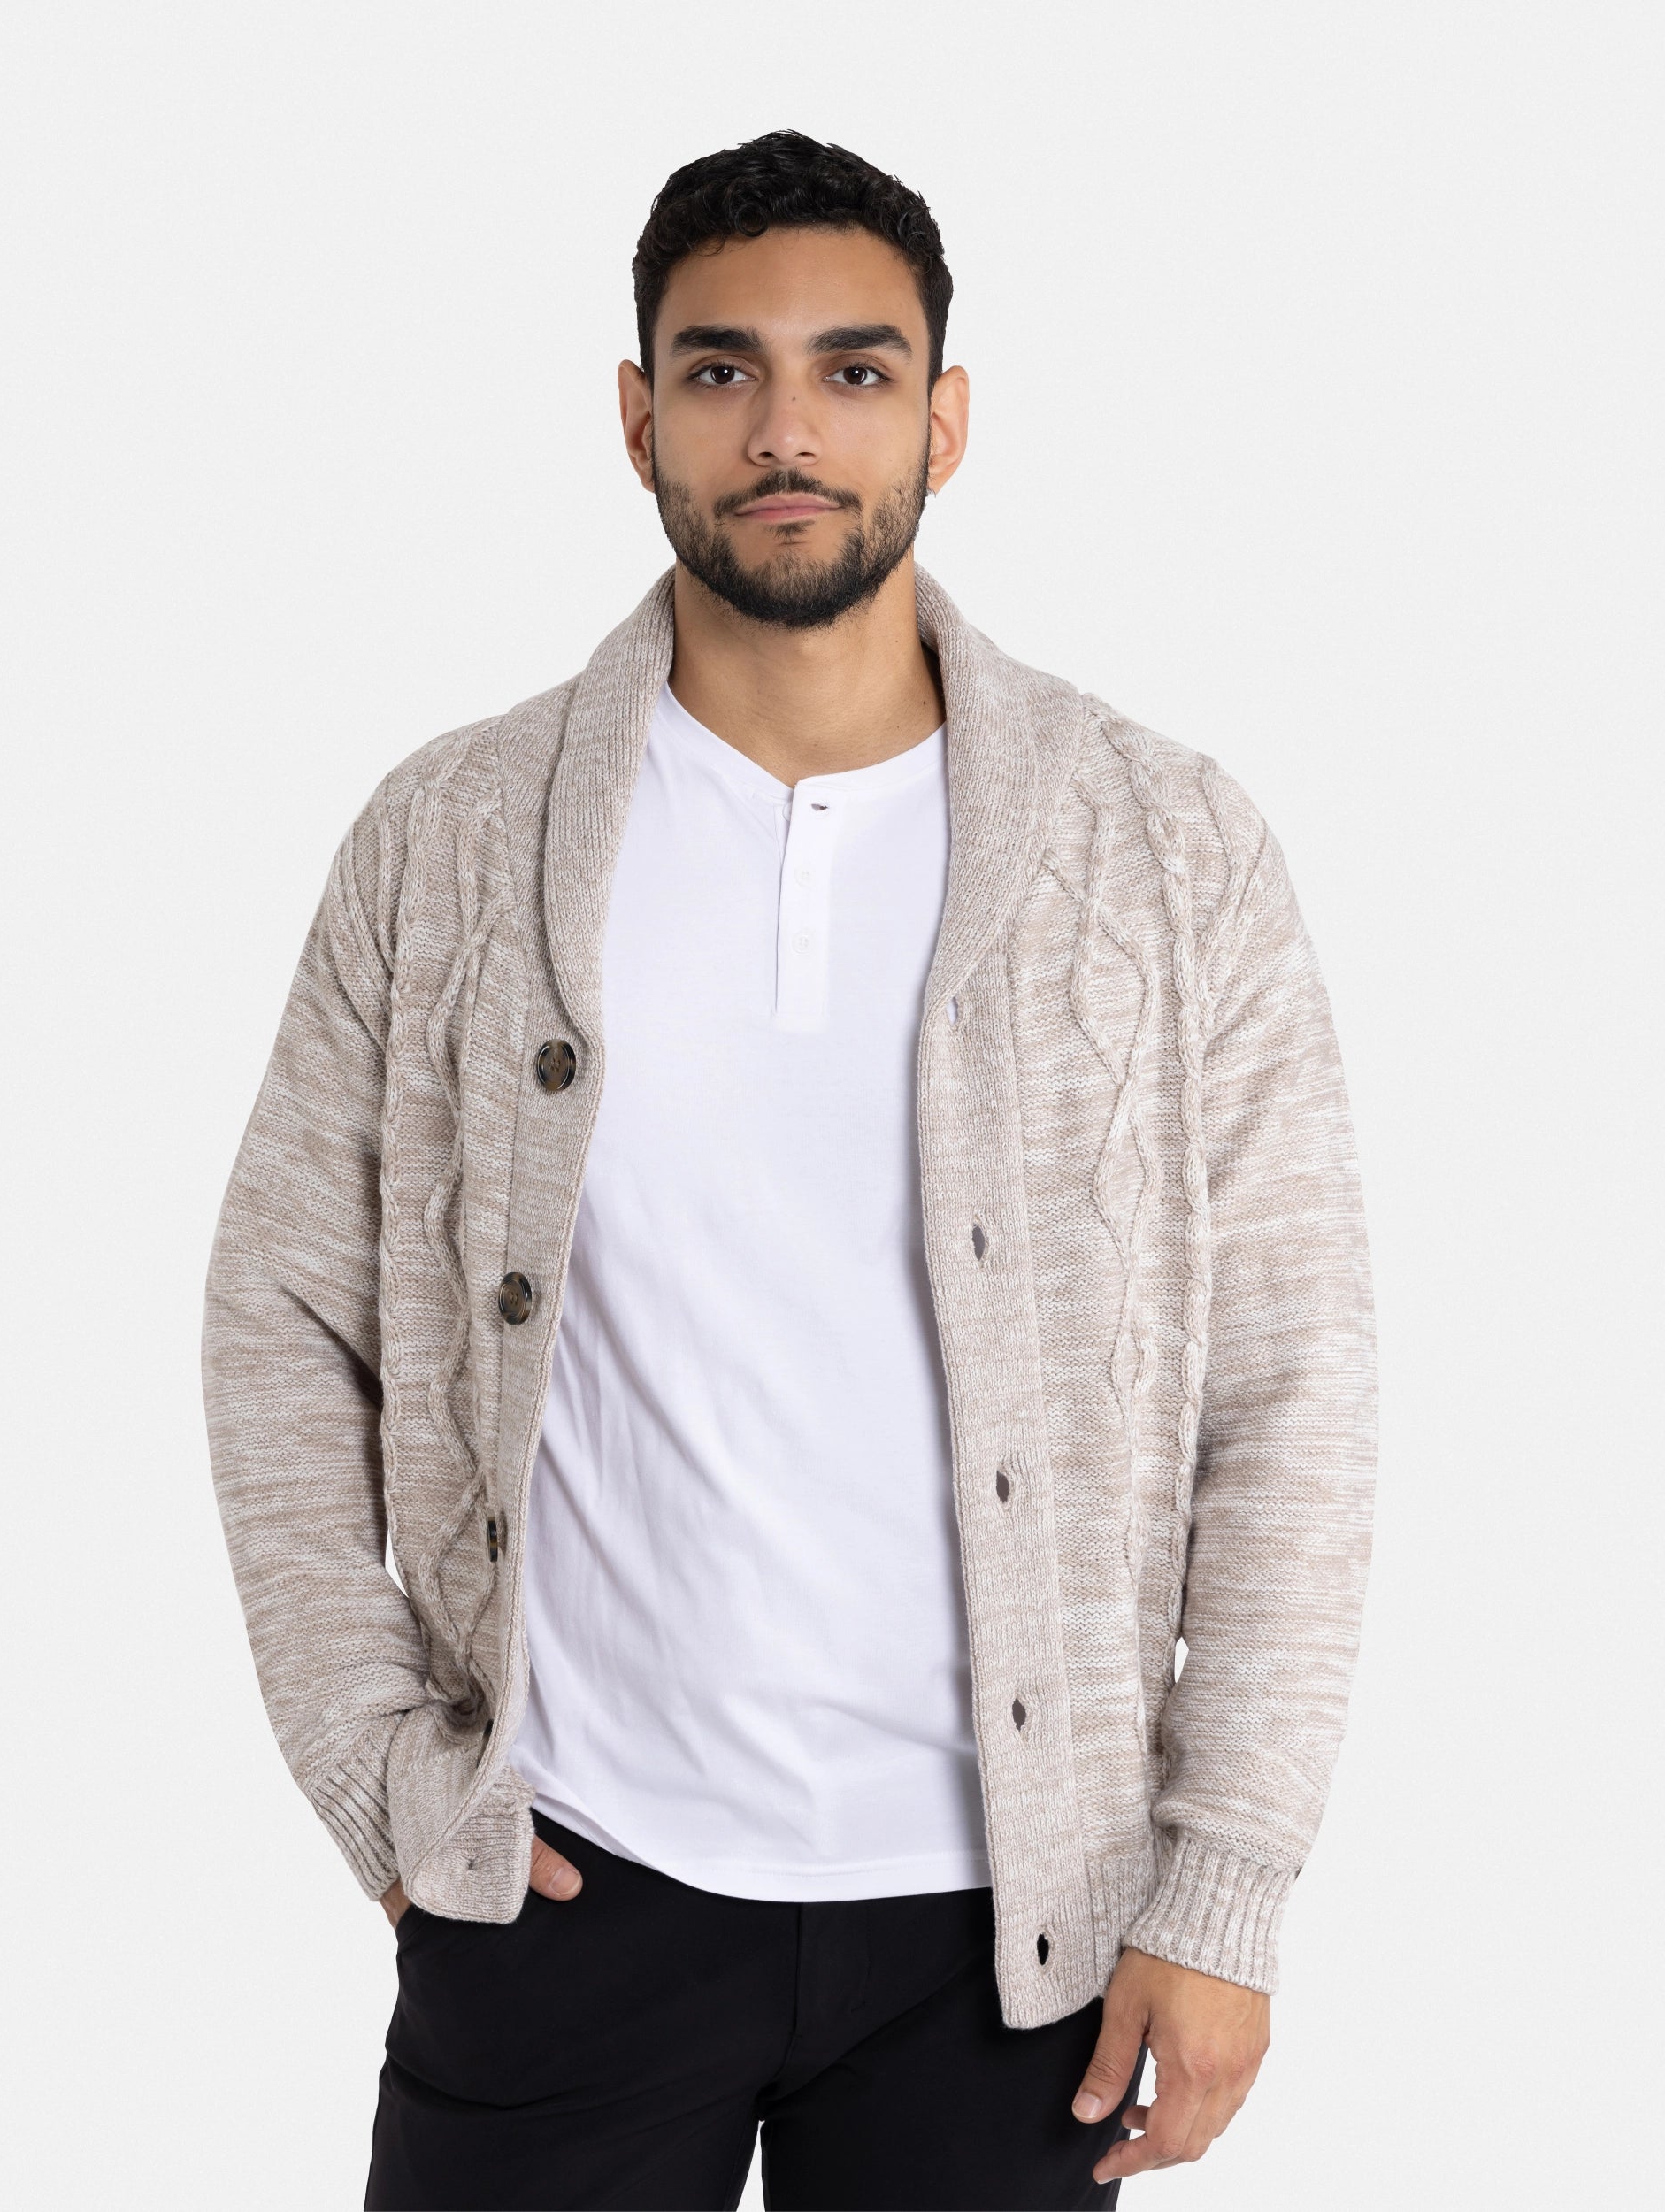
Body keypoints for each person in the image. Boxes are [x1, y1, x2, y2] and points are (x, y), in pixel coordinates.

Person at [203, 129, 1377, 2212]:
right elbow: (282, 1312)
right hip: (569, 1885)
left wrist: (1224, 1881)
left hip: (1011, 1931)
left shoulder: (1165, 844)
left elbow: (1293, 1383)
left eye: (853, 370)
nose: (785, 432)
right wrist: (377, 1767)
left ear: (944, 418)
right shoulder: (450, 838)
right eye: (721, 369)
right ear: (637, 416)